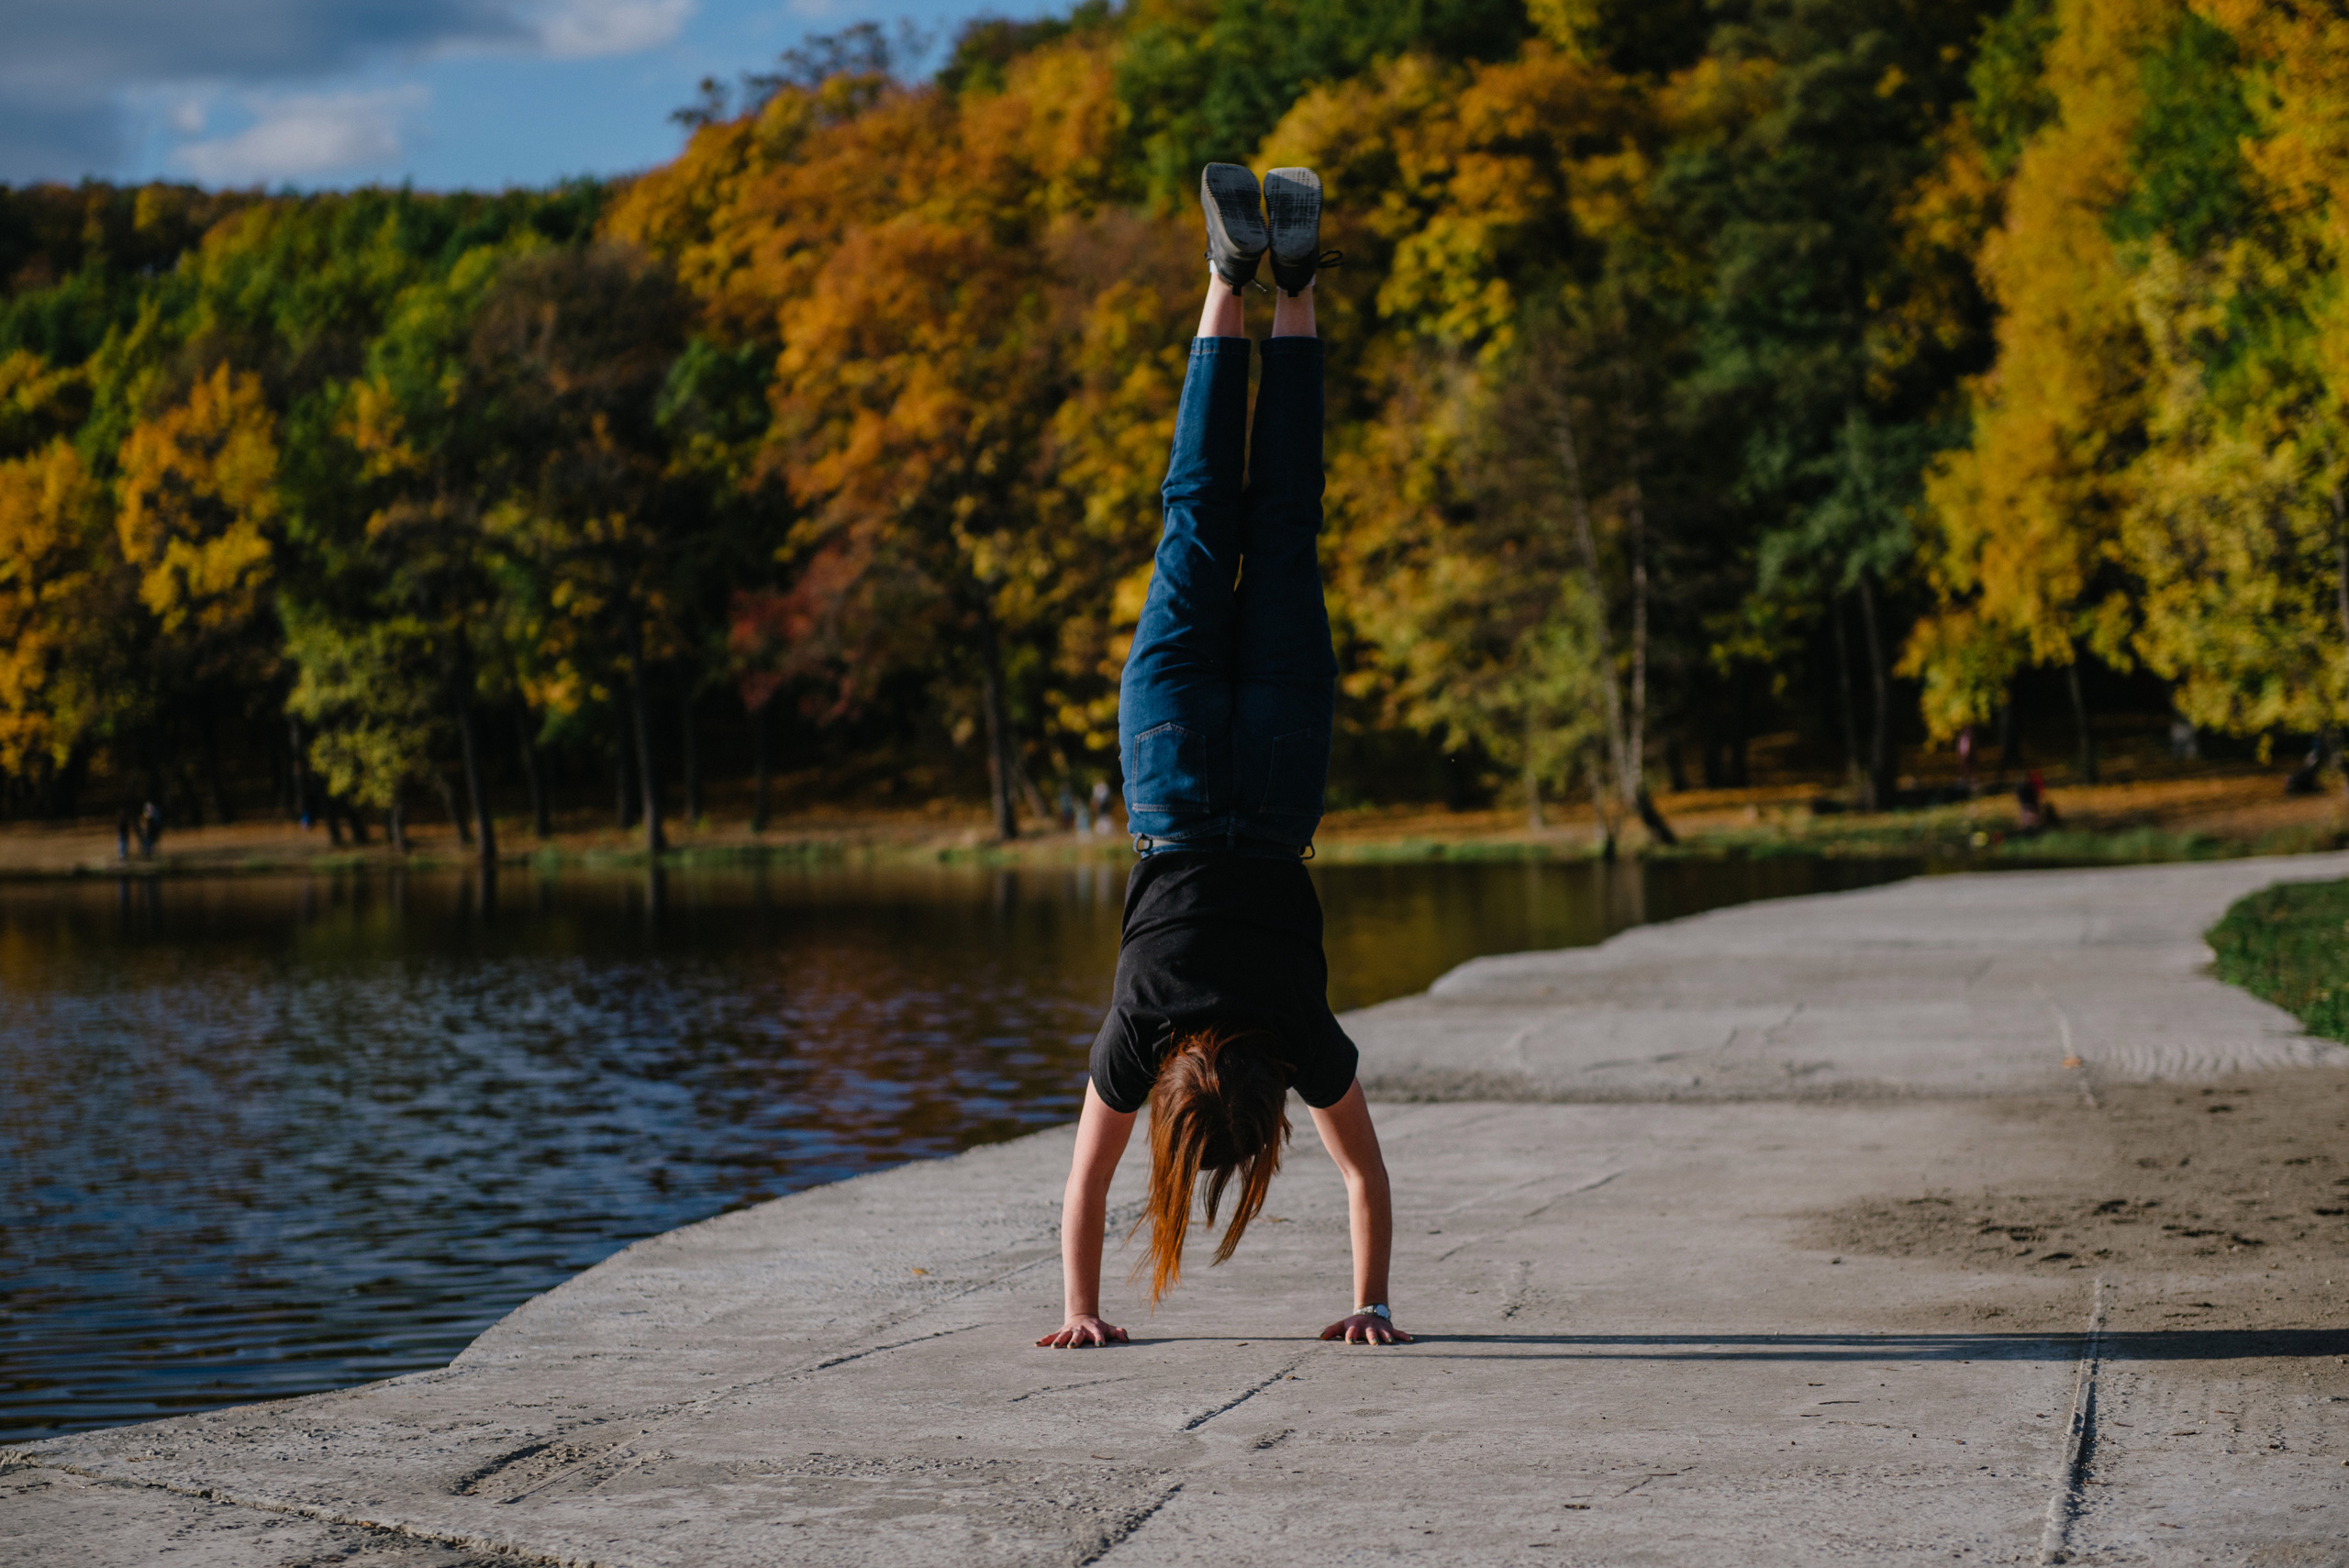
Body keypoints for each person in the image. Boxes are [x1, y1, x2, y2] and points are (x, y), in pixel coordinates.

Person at [1038, 164, 1409, 1351]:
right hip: (1172, 769)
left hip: (1281, 770)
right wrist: (1080, 1310)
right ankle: (1224, 276)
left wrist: (1374, 1299)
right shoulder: (1143, 1021)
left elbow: (1365, 1181)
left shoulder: (1301, 1030)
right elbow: (1085, 1192)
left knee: (1283, 520)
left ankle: (1290, 281)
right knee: (1199, 512)